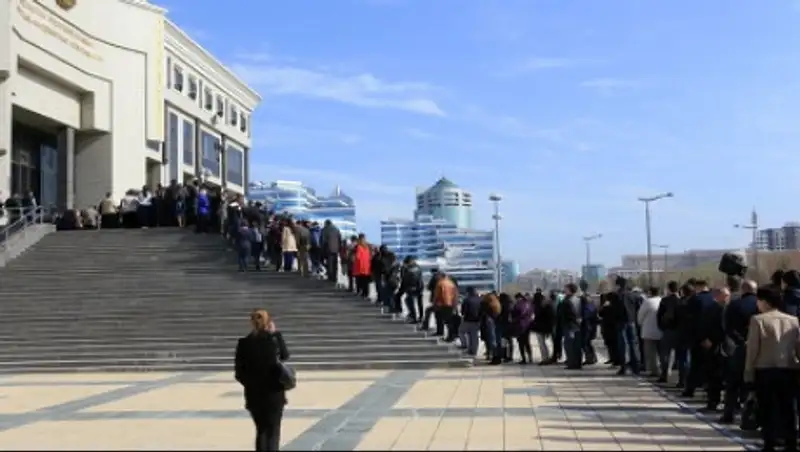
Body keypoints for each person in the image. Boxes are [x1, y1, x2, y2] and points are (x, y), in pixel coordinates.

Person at [744, 286, 800, 452]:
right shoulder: (793, 320)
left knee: (767, 407)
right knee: (788, 408)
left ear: (765, 302)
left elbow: (753, 349)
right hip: (789, 368)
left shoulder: (758, 320)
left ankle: (769, 442)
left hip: (765, 368)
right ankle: (791, 442)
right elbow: (798, 347)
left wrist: (748, 372)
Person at [235, 310, 290, 451]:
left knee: (261, 430)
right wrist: (276, 334)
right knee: (273, 430)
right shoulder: (273, 341)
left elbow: (239, 373)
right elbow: (285, 356)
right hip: (274, 393)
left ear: (251, 323)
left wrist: (250, 384)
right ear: (268, 322)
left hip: (253, 394)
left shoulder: (243, 343)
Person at [352, 234, 372, 298]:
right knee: (365, 282)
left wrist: (353, 257)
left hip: (360, 267)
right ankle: (365, 293)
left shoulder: (358, 247)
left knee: (360, 281)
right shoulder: (368, 246)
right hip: (366, 267)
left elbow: (357, 257)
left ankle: (362, 293)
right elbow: (370, 256)